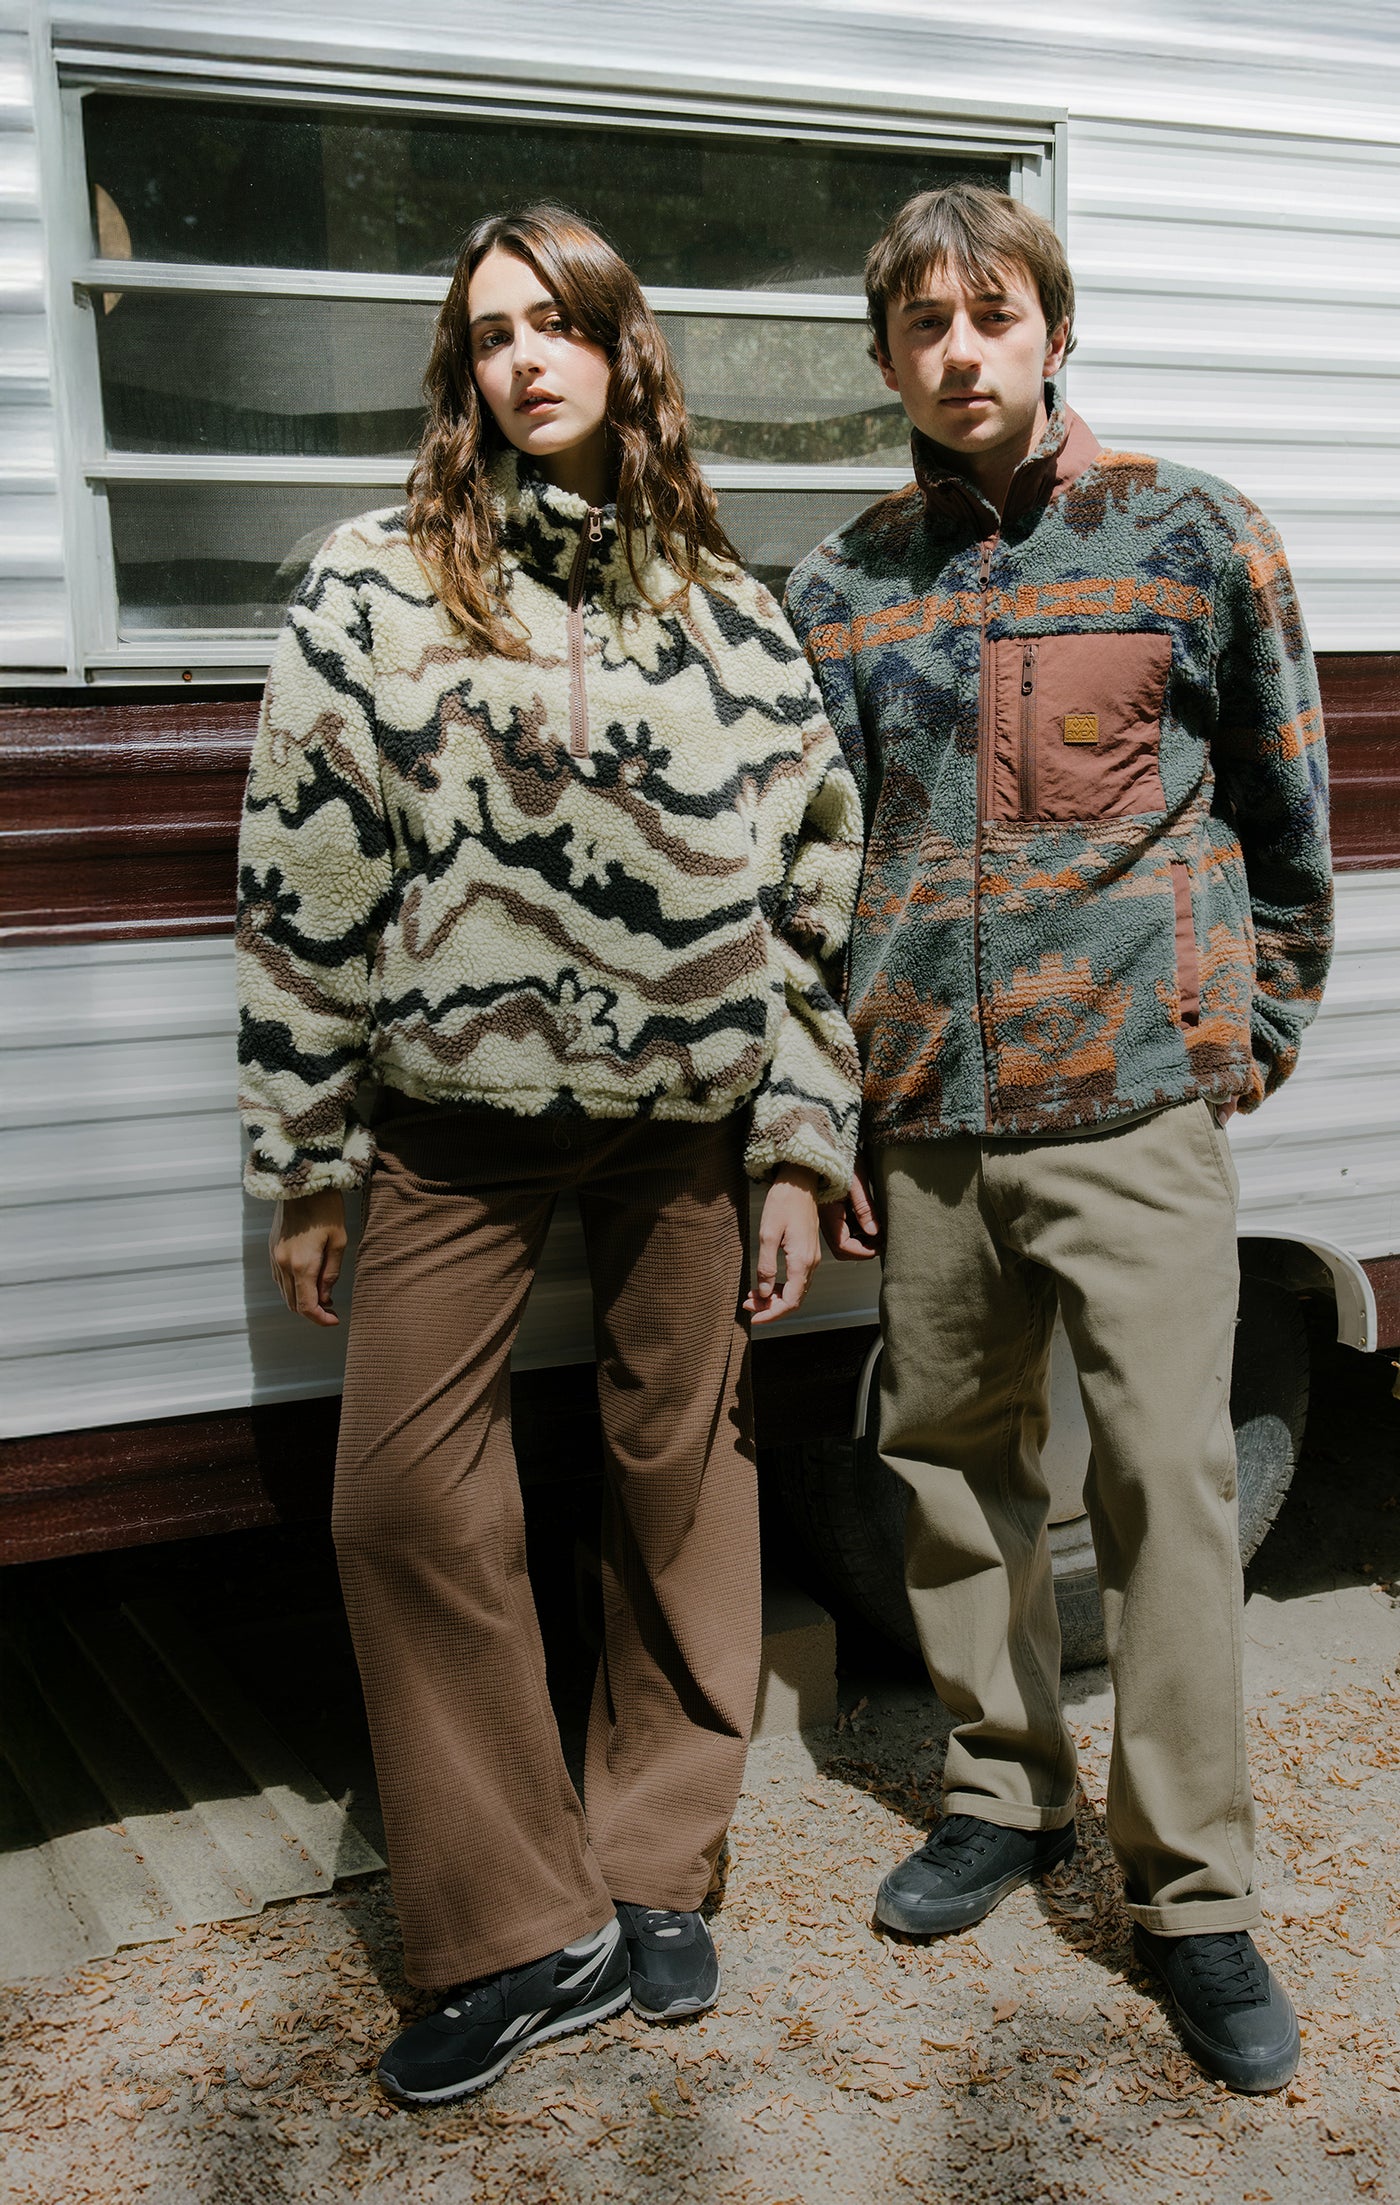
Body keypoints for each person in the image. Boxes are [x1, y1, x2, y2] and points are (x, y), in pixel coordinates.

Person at [235, 204, 863, 2104]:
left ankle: (657, 1850)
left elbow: (815, 883)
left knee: (681, 1466)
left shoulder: (727, 608)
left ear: (620, 349)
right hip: (453, 1118)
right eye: (490, 333)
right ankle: (529, 1924)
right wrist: (311, 1146)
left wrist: (794, 1135)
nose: (523, 359)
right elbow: (306, 873)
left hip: (687, 1123)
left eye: (557, 325)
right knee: (404, 1501)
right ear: (463, 371)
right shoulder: (373, 586)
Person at [785, 183, 1332, 2096]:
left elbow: (1286, 807)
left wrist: (1247, 1031)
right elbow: (810, 868)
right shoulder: (840, 589)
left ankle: (1193, 1894)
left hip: (1134, 1104)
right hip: (928, 1109)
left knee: (1168, 1485)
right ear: (888, 362)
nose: (960, 350)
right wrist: (830, 1098)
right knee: (948, 1463)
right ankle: (1000, 1792)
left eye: (991, 314)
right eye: (923, 325)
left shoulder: (1191, 537)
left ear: (1053, 328)